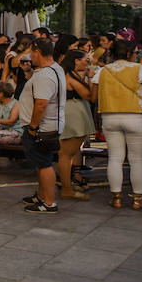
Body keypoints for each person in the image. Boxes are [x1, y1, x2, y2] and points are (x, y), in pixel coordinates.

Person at [93, 39, 142, 209]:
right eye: (135, 53)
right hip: (136, 117)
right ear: (128, 54)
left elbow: (93, 96)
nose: (137, 55)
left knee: (115, 158)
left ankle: (116, 197)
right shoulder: (139, 69)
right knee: (137, 160)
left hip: (110, 116)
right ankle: (137, 199)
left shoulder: (102, 71)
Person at [17, 38, 65, 214]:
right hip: (46, 125)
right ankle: (42, 196)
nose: (29, 57)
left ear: (37, 52)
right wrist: (29, 71)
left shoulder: (45, 75)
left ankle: (49, 203)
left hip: (42, 128)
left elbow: (42, 104)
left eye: (31, 53)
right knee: (40, 162)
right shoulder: (52, 69)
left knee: (44, 164)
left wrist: (33, 126)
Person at [57, 49, 95, 201]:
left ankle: (68, 185)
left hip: (74, 112)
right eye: (86, 60)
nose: (88, 63)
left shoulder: (69, 74)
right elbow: (90, 96)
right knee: (66, 154)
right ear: (76, 61)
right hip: (74, 114)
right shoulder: (70, 77)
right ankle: (66, 188)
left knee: (69, 154)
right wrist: (92, 78)